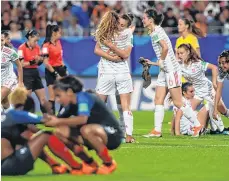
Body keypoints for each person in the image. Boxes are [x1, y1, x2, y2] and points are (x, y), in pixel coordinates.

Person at [141, 8, 202, 138]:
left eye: (144, 17)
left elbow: (165, 48)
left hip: (171, 70)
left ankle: (197, 125)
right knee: (158, 99)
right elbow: (165, 53)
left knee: (178, 102)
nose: (142, 19)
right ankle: (157, 130)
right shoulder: (154, 31)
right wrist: (153, 63)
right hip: (164, 70)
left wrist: (161, 60)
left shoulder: (156, 32)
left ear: (151, 19)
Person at [44, 75, 123, 175]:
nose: (57, 100)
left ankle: (109, 163)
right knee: (60, 131)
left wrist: (57, 122)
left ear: (69, 92)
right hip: (94, 134)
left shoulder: (83, 97)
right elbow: (57, 121)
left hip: (113, 135)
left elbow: (82, 119)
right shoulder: (69, 105)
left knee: (86, 130)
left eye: (58, 95)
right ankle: (89, 164)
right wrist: (46, 118)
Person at [93, 11, 135, 143]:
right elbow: (125, 54)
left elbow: (97, 50)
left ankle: (122, 134)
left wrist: (111, 47)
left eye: (123, 25)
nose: (119, 26)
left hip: (108, 72)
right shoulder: (128, 34)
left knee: (102, 104)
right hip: (120, 72)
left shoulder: (105, 31)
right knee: (125, 106)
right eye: (119, 23)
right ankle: (128, 135)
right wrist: (113, 57)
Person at [177, 44, 228, 132]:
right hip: (196, 92)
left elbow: (214, 67)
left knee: (222, 110)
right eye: (178, 53)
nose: (179, 55)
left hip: (208, 89)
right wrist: (152, 63)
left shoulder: (197, 63)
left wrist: (214, 82)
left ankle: (220, 129)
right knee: (186, 110)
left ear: (188, 53)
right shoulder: (178, 65)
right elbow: (165, 65)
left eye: (181, 53)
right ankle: (190, 129)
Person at [1, 88, 51, 175]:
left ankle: (55, 165)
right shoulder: (18, 114)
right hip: (9, 165)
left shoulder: (7, 117)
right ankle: (77, 167)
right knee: (46, 135)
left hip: (4, 165)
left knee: (27, 143)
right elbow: (46, 120)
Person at [18, 30, 48, 114]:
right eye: (35, 40)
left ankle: (47, 117)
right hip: (26, 74)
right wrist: (32, 61)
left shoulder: (37, 47)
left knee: (43, 99)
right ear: (29, 38)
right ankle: (26, 120)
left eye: (37, 41)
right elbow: (21, 64)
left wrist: (40, 60)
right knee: (27, 99)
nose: (36, 42)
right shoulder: (21, 48)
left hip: (35, 73)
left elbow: (39, 63)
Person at [42, 24, 68, 114]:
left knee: (63, 94)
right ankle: (51, 117)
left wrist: (65, 69)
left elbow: (61, 58)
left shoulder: (59, 42)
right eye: (59, 32)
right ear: (54, 33)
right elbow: (46, 63)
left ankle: (61, 116)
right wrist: (55, 74)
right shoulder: (45, 46)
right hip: (51, 71)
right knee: (52, 96)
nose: (61, 34)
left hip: (60, 69)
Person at [1, 31, 23, 111]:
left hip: (9, 79)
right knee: (5, 103)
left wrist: (20, 82)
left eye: (2, 40)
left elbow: (20, 65)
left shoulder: (10, 51)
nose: (1, 42)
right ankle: (13, 116)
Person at [213, 50, 229, 120]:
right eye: (220, 63)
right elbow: (218, 91)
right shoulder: (222, 71)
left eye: (223, 63)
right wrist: (215, 109)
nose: (221, 65)